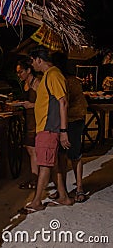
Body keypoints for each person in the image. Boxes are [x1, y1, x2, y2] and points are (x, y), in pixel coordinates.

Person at [19, 46, 73, 214]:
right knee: (52, 163)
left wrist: (63, 131)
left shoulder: (54, 75)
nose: (32, 65)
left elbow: (62, 102)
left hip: (49, 128)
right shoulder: (48, 76)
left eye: (33, 61)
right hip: (46, 127)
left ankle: (36, 202)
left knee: (44, 165)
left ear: (39, 60)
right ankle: (63, 197)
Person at [52, 51, 88, 203]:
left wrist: (64, 130)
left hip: (73, 120)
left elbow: (64, 103)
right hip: (70, 119)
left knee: (74, 155)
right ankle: (63, 190)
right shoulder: (68, 79)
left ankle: (79, 188)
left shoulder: (67, 81)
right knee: (62, 156)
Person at [16, 58, 40, 190]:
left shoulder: (37, 83)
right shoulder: (25, 84)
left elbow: (45, 104)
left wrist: (31, 105)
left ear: (29, 70)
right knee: (30, 149)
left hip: (37, 120)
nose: (19, 74)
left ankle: (36, 179)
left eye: (21, 72)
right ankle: (34, 178)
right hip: (29, 120)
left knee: (33, 150)